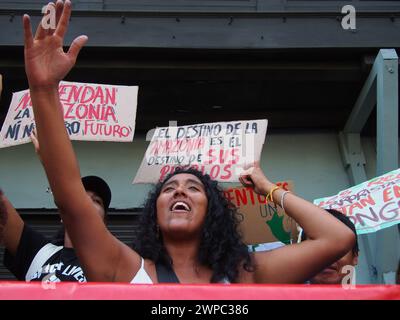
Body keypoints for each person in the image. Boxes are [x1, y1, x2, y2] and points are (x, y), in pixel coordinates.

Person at [22, 0, 355, 284]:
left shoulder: (244, 276)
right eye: (168, 189)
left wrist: (267, 188)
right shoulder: (123, 268)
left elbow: (338, 238)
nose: (179, 190)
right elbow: (70, 197)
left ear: (214, 212)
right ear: (154, 213)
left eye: (193, 188)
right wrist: (43, 89)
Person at [0, 175, 111, 282]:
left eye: (96, 200)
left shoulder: (116, 267)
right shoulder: (39, 253)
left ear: (104, 222)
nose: (87, 202)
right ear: (63, 215)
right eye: (80, 197)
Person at [301, 209, 359, 284]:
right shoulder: (285, 295)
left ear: (355, 257)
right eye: (316, 248)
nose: (326, 256)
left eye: (338, 248)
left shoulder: (375, 295)